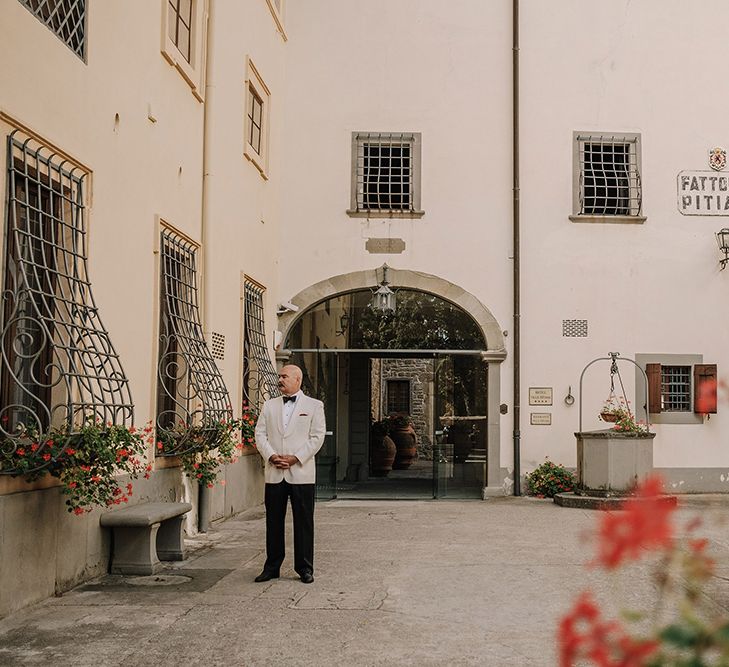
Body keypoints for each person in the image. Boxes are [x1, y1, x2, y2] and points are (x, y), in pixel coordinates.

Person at [253, 364, 326, 584]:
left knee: (304, 522)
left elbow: (317, 436)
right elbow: (260, 434)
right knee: (273, 522)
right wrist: (271, 456)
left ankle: (305, 568)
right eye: (279, 376)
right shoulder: (269, 405)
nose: (280, 379)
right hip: (274, 473)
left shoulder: (314, 406)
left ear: (297, 379)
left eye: (284, 376)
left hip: (301, 473)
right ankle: (272, 567)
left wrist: (296, 457)